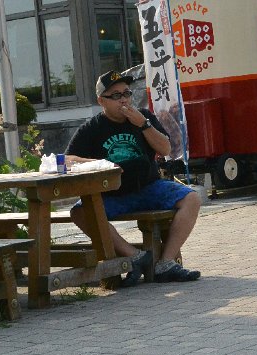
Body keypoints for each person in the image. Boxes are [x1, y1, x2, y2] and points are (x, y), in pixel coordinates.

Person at [64, 70, 201, 285]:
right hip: (113, 194)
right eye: (116, 95)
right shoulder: (92, 128)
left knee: (192, 199)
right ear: (101, 101)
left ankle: (165, 263)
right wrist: (97, 163)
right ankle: (135, 256)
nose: (124, 100)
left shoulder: (144, 117)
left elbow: (165, 149)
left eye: (127, 93)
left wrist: (143, 124)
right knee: (79, 212)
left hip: (149, 187)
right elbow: (67, 159)